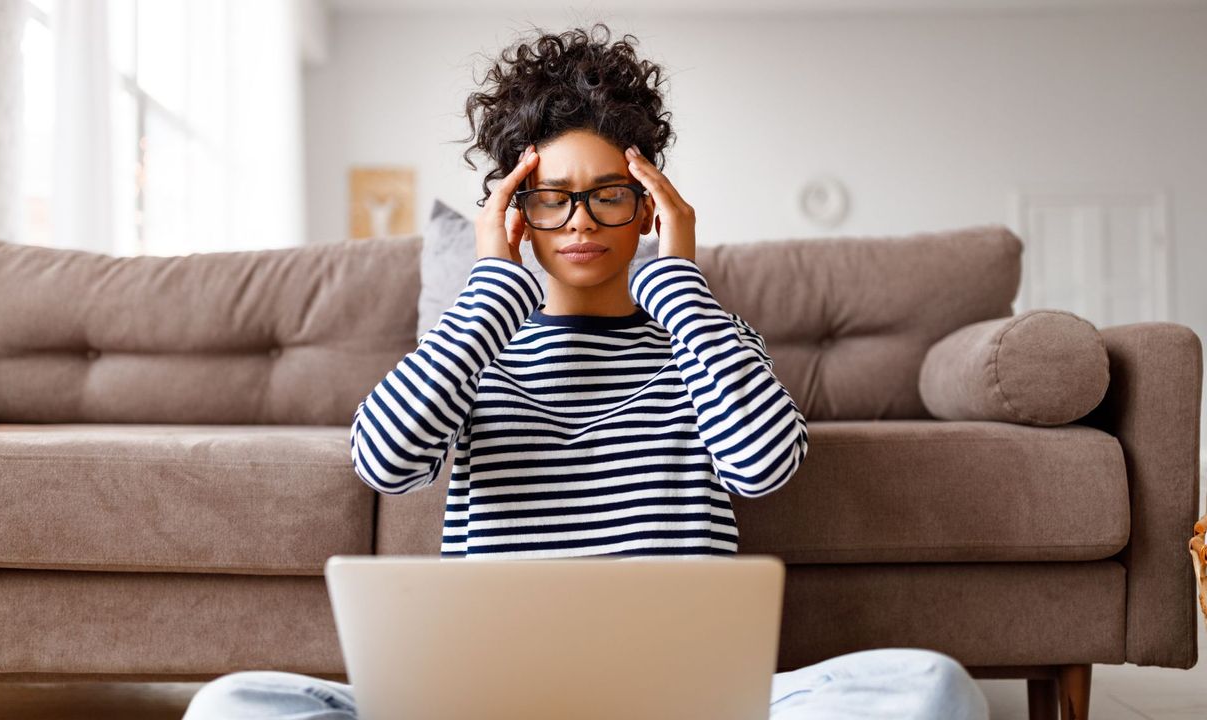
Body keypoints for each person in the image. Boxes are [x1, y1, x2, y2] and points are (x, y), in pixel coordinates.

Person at [183, 22, 989, 720]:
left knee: (931, 688)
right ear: (516, 216)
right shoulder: (472, 345)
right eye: (551, 199)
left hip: (689, 700)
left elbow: (765, 467)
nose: (580, 222)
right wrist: (493, 288)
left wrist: (677, 282)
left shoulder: (708, 337)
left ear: (649, 206)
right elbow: (383, 460)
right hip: (484, 698)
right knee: (231, 705)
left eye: (608, 195)